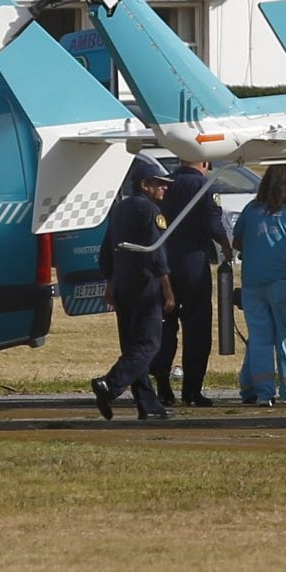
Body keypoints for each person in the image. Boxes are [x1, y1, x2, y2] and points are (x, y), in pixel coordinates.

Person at [91, 157, 178, 421]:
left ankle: (147, 404)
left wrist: (110, 282)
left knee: (132, 346)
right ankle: (110, 384)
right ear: (144, 185)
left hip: (122, 284)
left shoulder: (119, 209)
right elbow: (155, 253)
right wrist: (168, 289)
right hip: (145, 285)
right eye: (159, 184)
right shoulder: (151, 212)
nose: (164, 189)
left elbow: (106, 250)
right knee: (148, 345)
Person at [150, 159, 232, 407]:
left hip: (162, 263)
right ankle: (192, 390)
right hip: (192, 263)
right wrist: (226, 246)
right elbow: (212, 224)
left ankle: (163, 385)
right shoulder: (204, 186)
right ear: (205, 162)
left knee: (165, 325)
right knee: (197, 328)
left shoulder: (165, 185)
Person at [232, 164, 286, 406]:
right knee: (285, 334)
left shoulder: (251, 210)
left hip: (253, 283)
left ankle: (263, 392)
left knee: (259, 339)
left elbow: (237, 242)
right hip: (282, 282)